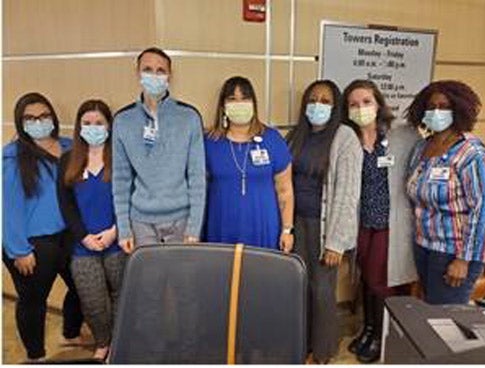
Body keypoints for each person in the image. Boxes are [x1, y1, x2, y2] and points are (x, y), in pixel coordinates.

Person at [2, 92, 84, 362]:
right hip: (32, 243)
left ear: (53, 117)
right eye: (30, 118)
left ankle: (70, 333)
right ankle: (35, 356)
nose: (39, 121)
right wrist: (18, 250)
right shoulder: (13, 156)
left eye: (44, 115)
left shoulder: (69, 146)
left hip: (68, 236)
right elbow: (8, 206)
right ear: (21, 123)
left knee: (82, 287)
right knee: (33, 301)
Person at [343, 80, 420, 363]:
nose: (361, 108)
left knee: (380, 281)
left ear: (378, 104)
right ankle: (369, 328)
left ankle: (381, 337)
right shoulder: (347, 138)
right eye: (353, 103)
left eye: (366, 101)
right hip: (363, 221)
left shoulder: (399, 136)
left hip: (390, 222)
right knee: (366, 277)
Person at [286, 80, 363, 363]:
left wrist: (336, 243)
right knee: (299, 287)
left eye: (325, 100)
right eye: (313, 99)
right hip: (296, 224)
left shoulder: (345, 138)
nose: (317, 105)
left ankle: (322, 350)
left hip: (324, 228)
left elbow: (347, 194)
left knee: (321, 292)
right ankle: (302, 343)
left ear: (336, 106)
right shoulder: (297, 135)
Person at [406, 80, 485, 305]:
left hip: (454, 252)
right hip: (424, 246)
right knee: (431, 313)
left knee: (446, 320)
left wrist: (464, 260)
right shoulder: (421, 148)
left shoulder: (471, 153)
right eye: (431, 106)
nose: (436, 112)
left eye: (444, 106)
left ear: (458, 109)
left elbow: (482, 210)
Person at [112, 47, 206, 252]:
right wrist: (124, 229)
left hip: (181, 219)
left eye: (160, 70)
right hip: (141, 221)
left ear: (169, 76)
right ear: (137, 72)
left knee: (183, 280)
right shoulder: (122, 120)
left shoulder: (188, 117)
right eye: (147, 69)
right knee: (150, 281)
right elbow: (121, 180)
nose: (154, 75)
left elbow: (197, 177)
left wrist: (194, 227)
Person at [57, 100, 126, 360]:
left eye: (99, 123)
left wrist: (115, 230)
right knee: (93, 301)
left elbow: (129, 197)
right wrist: (84, 237)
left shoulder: (120, 157)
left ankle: (119, 342)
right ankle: (103, 342)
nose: (93, 128)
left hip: (117, 241)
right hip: (82, 246)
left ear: (109, 126)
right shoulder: (67, 160)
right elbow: (66, 204)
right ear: (78, 126)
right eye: (87, 123)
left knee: (122, 295)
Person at [204, 76, 294, 252]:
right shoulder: (209, 142)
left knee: (261, 277)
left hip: (264, 228)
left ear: (254, 103)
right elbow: (198, 189)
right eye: (232, 99)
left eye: (245, 98)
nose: (239, 103)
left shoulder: (272, 139)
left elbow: (285, 190)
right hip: (221, 226)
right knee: (222, 277)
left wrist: (287, 230)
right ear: (223, 106)